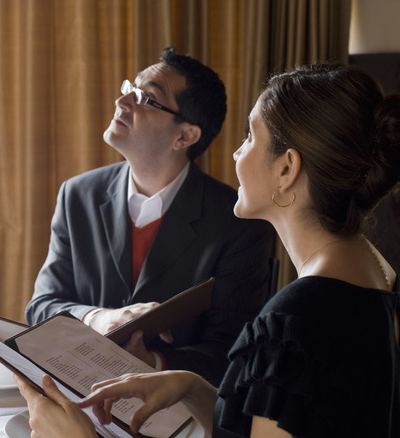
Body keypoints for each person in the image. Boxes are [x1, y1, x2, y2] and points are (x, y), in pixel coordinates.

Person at [17, 63, 400, 437]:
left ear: (286, 170)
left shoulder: (293, 324)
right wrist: (193, 388)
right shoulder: (375, 277)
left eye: (250, 137)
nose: (235, 154)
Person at [25, 48, 275, 385]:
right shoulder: (78, 195)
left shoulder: (238, 221)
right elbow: (41, 306)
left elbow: (233, 349)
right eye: (129, 87)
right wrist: (97, 318)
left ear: (185, 136)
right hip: (76, 395)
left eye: (144, 97)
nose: (123, 100)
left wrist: (154, 361)